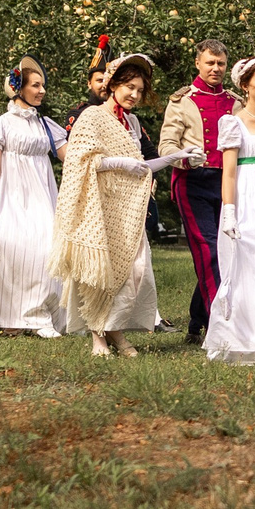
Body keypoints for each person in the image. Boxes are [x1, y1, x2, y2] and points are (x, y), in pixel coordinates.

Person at [53, 53, 186, 357]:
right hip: (98, 207)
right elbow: (78, 160)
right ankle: (98, 335)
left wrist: (176, 157)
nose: (135, 95)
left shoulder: (133, 122)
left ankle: (115, 329)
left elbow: (141, 165)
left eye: (140, 90)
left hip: (128, 209)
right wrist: (118, 163)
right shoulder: (92, 116)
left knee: (133, 271)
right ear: (113, 84)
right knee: (100, 272)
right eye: (130, 87)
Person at [0, 60, 68, 337]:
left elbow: (71, 157)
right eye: (35, 85)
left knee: (46, 248)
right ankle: (16, 317)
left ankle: (40, 315)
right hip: (11, 195)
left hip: (42, 193)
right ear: (18, 88)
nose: (41, 91)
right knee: (14, 249)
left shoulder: (46, 125)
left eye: (42, 86)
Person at [204, 55, 255, 364]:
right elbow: (230, 172)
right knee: (253, 265)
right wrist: (230, 211)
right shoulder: (232, 122)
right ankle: (246, 338)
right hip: (247, 198)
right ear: (245, 84)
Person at [161, 38, 236, 341]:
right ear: (198, 64)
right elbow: (166, 144)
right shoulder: (182, 101)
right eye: (210, 63)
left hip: (228, 183)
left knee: (226, 252)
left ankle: (197, 321)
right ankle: (221, 326)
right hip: (192, 182)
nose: (216, 68)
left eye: (220, 64)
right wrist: (184, 157)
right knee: (208, 250)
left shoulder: (236, 101)